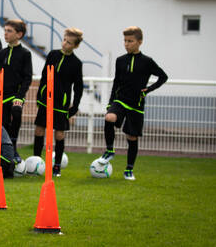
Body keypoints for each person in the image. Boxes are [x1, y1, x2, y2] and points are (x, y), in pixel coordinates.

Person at [98, 26, 168, 180]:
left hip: (136, 104)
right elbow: (116, 83)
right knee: (109, 117)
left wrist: (148, 89)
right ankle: (110, 150)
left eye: (130, 41)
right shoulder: (120, 60)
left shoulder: (148, 62)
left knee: (132, 137)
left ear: (140, 42)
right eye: (125, 41)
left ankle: (129, 170)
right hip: (120, 100)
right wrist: (110, 103)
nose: (126, 44)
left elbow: (163, 77)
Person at [33, 28, 84, 177]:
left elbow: (78, 86)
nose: (65, 44)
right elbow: (44, 75)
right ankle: (37, 161)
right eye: (64, 40)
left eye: (69, 42)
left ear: (75, 46)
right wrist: (39, 94)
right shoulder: (52, 55)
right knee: (39, 129)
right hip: (45, 100)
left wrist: (75, 105)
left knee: (59, 134)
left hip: (61, 104)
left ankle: (56, 167)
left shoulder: (76, 63)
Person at [0, 19, 32, 164]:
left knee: (16, 112)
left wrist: (20, 96)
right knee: (3, 125)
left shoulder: (25, 54)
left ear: (19, 34)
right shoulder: (1, 54)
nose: (5, 33)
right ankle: (5, 154)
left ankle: (14, 147)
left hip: (16, 96)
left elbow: (27, 78)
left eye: (9, 31)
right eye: (5, 30)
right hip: (1, 97)